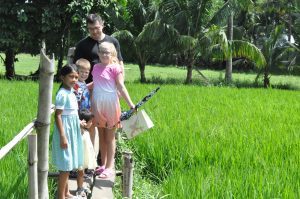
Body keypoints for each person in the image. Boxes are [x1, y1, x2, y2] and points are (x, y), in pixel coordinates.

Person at [90, 42, 135, 178]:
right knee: (101, 136)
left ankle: (110, 167)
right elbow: (95, 83)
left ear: (112, 54)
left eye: (107, 52)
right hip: (97, 105)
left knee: (110, 137)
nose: (104, 54)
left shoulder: (116, 68)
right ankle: (103, 164)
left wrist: (131, 104)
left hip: (111, 105)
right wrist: (79, 87)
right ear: (98, 53)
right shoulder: (96, 67)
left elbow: (121, 86)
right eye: (102, 51)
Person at [52, 64, 84, 199]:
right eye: (71, 76)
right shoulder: (62, 94)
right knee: (65, 167)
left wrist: (79, 123)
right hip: (65, 132)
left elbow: (72, 114)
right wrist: (63, 136)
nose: (74, 79)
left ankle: (67, 193)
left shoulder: (71, 92)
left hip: (73, 131)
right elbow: (58, 115)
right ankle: (61, 196)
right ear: (62, 77)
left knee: (69, 163)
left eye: (76, 77)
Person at [73, 13, 124, 83]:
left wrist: (120, 83)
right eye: (91, 29)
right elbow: (75, 67)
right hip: (88, 86)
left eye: (97, 28)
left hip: (110, 85)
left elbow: (120, 64)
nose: (94, 31)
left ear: (102, 25)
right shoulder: (82, 45)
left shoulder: (113, 42)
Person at [76, 109, 97, 197]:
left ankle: (81, 186)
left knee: (82, 172)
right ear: (84, 122)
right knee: (80, 173)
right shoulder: (80, 131)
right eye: (90, 121)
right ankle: (79, 188)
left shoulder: (86, 132)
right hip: (81, 156)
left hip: (84, 156)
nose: (91, 123)